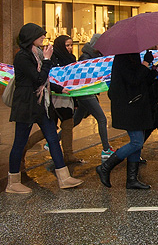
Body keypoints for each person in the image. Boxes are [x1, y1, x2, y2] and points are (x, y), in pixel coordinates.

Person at [6, 24, 83, 193]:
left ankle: (64, 177)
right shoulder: (22, 57)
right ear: (30, 37)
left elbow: (45, 81)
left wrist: (59, 88)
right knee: (19, 143)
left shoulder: (37, 54)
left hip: (41, 104)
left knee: (53, 139)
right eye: (40, 35)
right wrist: (47, 60)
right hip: (26, 105)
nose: (43, 37)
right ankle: (13, 182)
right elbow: (38, 79)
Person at [95, 50, 157, 190]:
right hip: (129, 106)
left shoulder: (132, 56)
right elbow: (133, 80)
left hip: (137, 105)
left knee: (137, 141)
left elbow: (141, 80)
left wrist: (151, 70)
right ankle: (105, 167)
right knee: (136, 142)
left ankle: (132, 179)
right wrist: (145, 64)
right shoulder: (122, 58)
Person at [22, 35, 80, 168]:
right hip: (54, 98)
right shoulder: (52, 59)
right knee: (50, 128)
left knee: (67, 124)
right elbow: (46, 78)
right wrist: (59, 88)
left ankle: (68, 154)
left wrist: (75, 102)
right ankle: (23, 148)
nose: (70, 48)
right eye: (67, 45)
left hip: (67, 97)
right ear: (60, 45)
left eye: (71, 45)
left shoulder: (71, 59)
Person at [73, 34, 114, 161]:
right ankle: (106, 149)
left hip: (87, 93)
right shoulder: (85, 57)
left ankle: (51, 141)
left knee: (75, 120)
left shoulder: (96, 56)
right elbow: (82, 77)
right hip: (85, 93)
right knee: (102, 119)